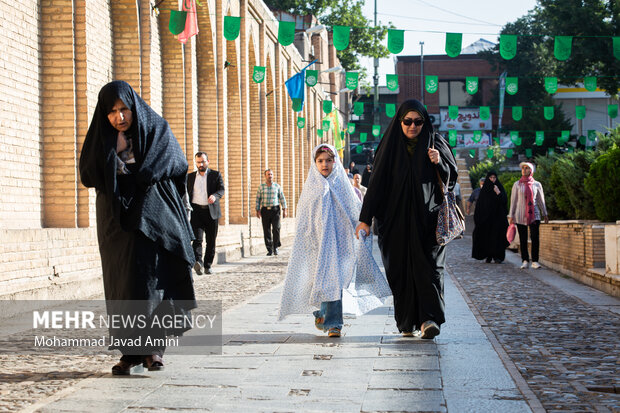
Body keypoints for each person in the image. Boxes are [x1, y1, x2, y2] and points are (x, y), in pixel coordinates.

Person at [79, 80, 197, 375]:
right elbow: (89, 175)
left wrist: (137, 169)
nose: (119, 117)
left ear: (133, 106)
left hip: (152, 218)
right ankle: (129, 354)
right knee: (123, 286)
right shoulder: (102, 138)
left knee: (151, 282)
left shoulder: (155, 129)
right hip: (116, 224)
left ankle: (154, 349)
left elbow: (176, 162)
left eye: (124, 109)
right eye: (112, 112)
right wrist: (112, 153)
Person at [354, 99, 458, 339]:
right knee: (400, 270)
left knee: (430, 269)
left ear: (425, 122)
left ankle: (428, 319)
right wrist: (365, 219)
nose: (413, 126)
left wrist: (439, 162)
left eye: (418, 122)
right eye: (408, 121)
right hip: (395, 222)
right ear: (400, 121)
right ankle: (407, 320)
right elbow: (377, 184)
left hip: (428, 222)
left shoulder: (436, 143)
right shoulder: (389, 147)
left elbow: (451, 180)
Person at [278, 144, 391, 338]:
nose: (325, 164)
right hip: (317, 245)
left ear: (335, 162)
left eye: (329, 160)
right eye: (320, 161)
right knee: (321, 281)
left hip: (340, 244)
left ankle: (334, 324)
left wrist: (359, 228)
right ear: (315, 163)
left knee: (334, 281)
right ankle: (322, 314)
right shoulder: (311, 188)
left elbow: (354, 210)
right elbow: (305, 218)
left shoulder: (342, 185)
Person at [187, 152, 225, 275]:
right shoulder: (190, 177)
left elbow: (221, 189)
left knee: (211, 240)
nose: (201, 164)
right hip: (196, 212)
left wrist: (215, 196)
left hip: (211, 212)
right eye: (198, 162)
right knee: (197, 239)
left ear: (208, 162)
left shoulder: (215, 175)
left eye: (203, 161)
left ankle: (208, 265)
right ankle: (198, 262)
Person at [509, 162, 549, 269]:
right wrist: (511, 215)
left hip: (534, 215)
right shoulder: (517, 184)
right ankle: (525, 260)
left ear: (531, 170)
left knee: (535, 237)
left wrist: (545, 213)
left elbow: (541, 200)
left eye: (527, 168)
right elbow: (513, 201)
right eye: (523, 168)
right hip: (520, 215)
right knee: (523, 239)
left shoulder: (537, 184)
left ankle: (535, 261)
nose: (524, 170)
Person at [472, 171, 509, 263]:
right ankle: (488, 255)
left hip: (498, 219)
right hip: (486, 219)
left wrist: (498, 192)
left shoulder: (499, 187)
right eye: (491, 178)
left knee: (497, 237)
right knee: (487, 237)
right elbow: (480, 205)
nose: (493, 180)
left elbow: (504, 201)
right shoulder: (484, 191)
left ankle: (498, 257)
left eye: (494, 178)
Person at [255, 169, 287, 256]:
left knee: (276, 228)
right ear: (265, 176)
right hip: (265, 210)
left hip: (275, 210)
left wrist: (284, 209)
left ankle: (275, 246)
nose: (270, 176)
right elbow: (258, 199)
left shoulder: (277, 186)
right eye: (268, 174)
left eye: (271, 174)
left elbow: (282, 197)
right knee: (266, 230)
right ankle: (269, 249)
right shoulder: (261, 187)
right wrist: (257, 210)